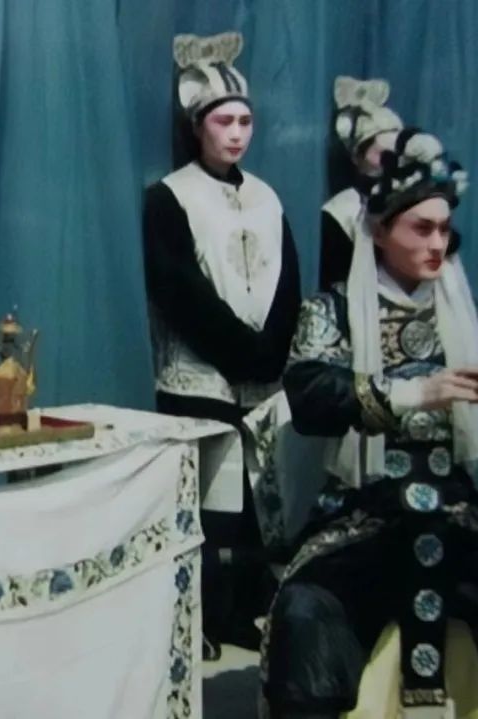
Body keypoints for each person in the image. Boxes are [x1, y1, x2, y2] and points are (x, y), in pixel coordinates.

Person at [262, 130, 478, 717]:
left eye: (444, 230)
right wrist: (413, 393)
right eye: (421, 229)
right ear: (379, 231)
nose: (437, 244)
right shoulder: (333, 312)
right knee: (306, 609)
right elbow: (310, 395)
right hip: (362, 511)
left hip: (455, 507)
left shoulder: (472, 316)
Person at [142, 31, 301, 658]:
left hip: (262, 376)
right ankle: (200, 615)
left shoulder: (267, 197)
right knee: (208, 505)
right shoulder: (170, 196)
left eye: (245, 122)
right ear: (197, 126)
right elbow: (178, 288)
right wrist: (238, 351)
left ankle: (243, 611)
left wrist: (270, 351)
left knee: (257, 503)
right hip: (200, 378)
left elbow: (288, 281)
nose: (236, 134)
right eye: (223, 121)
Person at [319, 75, 404, 290]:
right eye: (382, 154)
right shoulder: (342, 212)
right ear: (357, 158)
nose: (392, 162)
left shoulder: (411, 200)